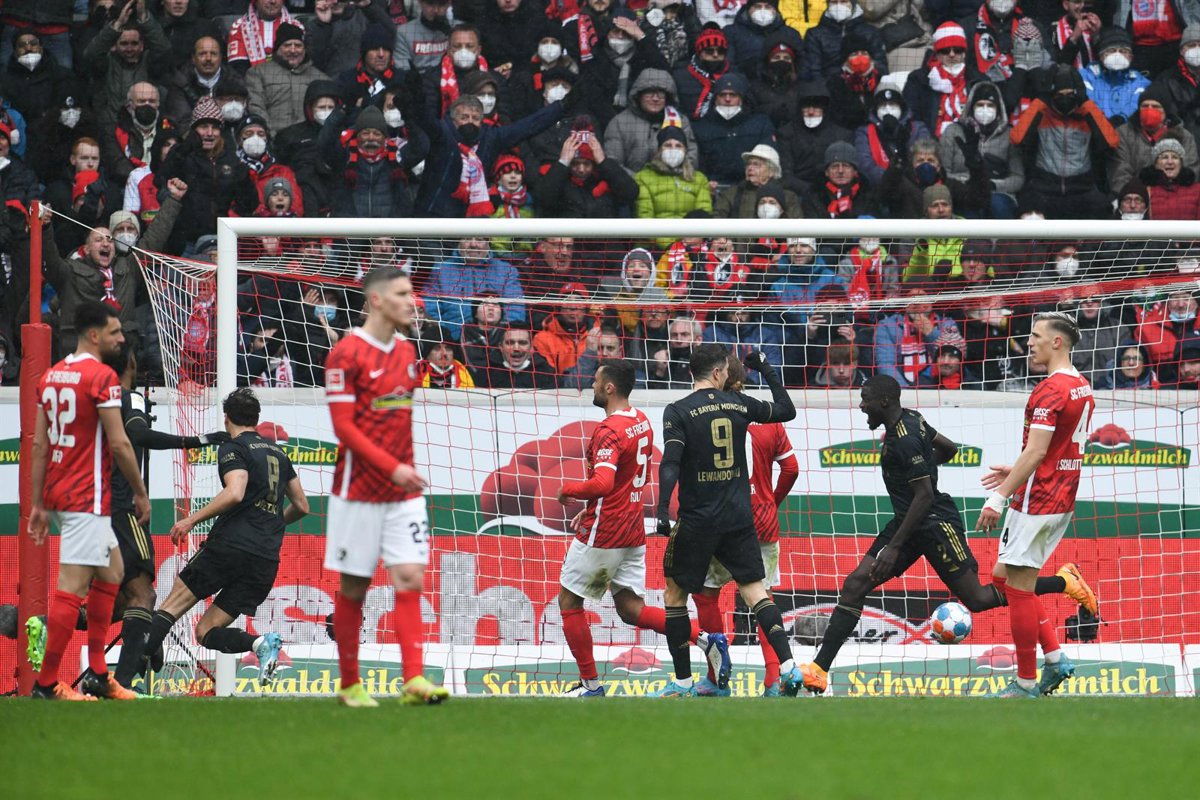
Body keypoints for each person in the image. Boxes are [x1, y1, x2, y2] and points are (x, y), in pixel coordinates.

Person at [796, 373, 1095, 694]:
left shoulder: (906, 438)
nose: (861, 406)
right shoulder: (912, 419)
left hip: (935, 524)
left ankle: (1063, 581)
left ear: (883, 402)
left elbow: (925, 495)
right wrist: (925, 469)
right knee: (855, 585)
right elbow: (949, 448)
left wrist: (894, 547)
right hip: (908, 521)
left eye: (865, 400)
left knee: (978, 599)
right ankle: (819, 670)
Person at [323, 266, 450, 707]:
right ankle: (349, 684)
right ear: (376, 300)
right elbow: (344, 428)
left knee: (410, 576)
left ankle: (413, 679)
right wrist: (392, 467)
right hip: (358, 491)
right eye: (401, 294)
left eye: (411, 293)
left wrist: (401, 471)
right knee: (354, 588)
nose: (411, 302)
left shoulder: (408, 351)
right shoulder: (345, 354)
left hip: (403, 493)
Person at [653, 345, 802, 696]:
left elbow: (671, 462)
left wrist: (662, 508)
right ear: (719, 372)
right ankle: (788, 667)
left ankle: (684, 682)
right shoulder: (739, 404)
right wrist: (766, 369)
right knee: (757, 593)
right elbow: (787, 410)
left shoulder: (678, 410)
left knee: (676, 596)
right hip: (740, 519)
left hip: (698, 520)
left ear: (694, 373)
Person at [141, 388, 307, 689]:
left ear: (227, 417)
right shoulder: (279, 453)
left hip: (230, 546)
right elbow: (302, 506)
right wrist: (273, 523)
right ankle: (259, 644)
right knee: (205, 631)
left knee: (171, 606)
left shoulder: (234, 447)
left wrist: (191, 519)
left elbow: (235, 492)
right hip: (265, 559)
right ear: (256, 418)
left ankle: (124, 682)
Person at [29, 302, 151, 700]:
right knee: (72, 587)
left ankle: (99, 674)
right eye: (115, 332)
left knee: (113, 572)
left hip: (63, 493)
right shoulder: (101, 377)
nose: (121, 339)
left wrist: (38, 502)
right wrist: (140, 492)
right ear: (94, 335)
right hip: (86, 496)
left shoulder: (50, 376)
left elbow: (40, 446)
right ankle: (46, 683)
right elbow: (120, 443)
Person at [977, 312, 1098, 698]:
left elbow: (1037, 452)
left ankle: (1026, 682)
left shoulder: (1050, 390)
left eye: (1035, 336)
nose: (1029, 343)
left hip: (1037, 501)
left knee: (1017, 589)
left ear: (1057, 342)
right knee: (1003, 578)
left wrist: (999, 496)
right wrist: (1018, 469)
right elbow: (1052, 449)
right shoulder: (1081, 386)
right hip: (1061, 496)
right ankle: (1056, 657)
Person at [555, 359, 694, 696]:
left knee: (569, 602)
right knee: (631, 609)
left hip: (605, 532)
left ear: (609, 387)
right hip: (632, 528)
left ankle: (590, 685)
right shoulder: (640, 421)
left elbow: (603, 483)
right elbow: (624, 481)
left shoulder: (609, 430)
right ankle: (705, 639)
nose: (592, 385)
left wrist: (568, 491)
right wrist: (592, 506)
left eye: (595, 380)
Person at [108, 342, 230, 690]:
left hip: (93, 508)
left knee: (114, 602)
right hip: (122, 507)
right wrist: (199, 439)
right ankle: (122, 684)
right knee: (143, 597)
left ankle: (30, 620)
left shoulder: (97, 400)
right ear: (131, 363)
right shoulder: (128, 397)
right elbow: (138, 433)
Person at [692, 355, 798, 697]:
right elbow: (792, 469)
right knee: (762, 598)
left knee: (705, 594)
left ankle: (716, 677)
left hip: (722, 520)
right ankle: (774, 679)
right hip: (762, 522)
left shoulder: (706, 416)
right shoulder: (769, 419)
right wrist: (771, 502)